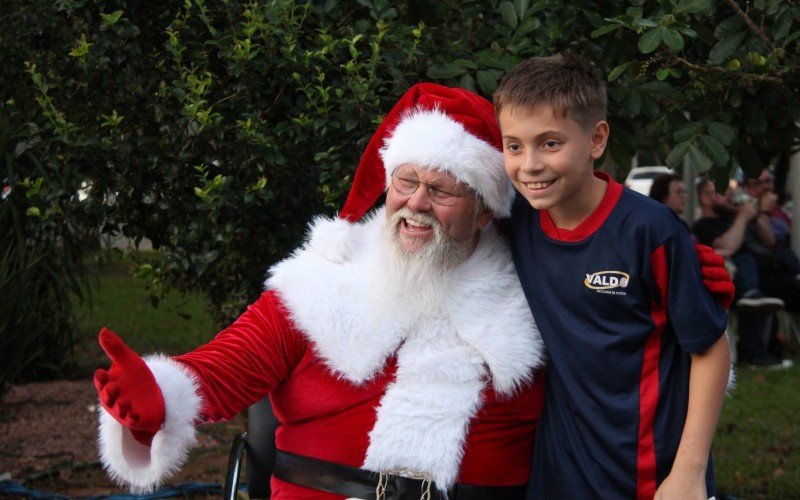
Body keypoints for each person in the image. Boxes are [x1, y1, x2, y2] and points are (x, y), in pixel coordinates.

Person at [94, 83, 732, 500]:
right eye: (405, 182)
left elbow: (622, 351)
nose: (416, 205)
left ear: (484, 211)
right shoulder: (323, 277)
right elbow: (230, 364)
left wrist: (667, 290)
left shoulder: (532, 284)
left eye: (443, 189)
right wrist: (160, 395)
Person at [494, 54, 731, 499]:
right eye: (513, 146)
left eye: (550, 143)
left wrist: (690, 471)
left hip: (647, 473)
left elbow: (710, 348)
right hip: (558, 473)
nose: (529, 165)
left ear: (596, 139)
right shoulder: (516, 223)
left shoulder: (649, 231)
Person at [693, 177, 793, 369]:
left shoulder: (734, 217)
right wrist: (742, 218)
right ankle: (758, 355)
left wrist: (758, 215)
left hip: (765, 273)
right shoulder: (704, 225)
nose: (729, 195)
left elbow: (770, 241)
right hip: (738, 282)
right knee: (751, 295)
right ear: (705, 198)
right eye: (721, 190)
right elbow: (727, 247)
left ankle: (769, 352)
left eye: (730, 192)